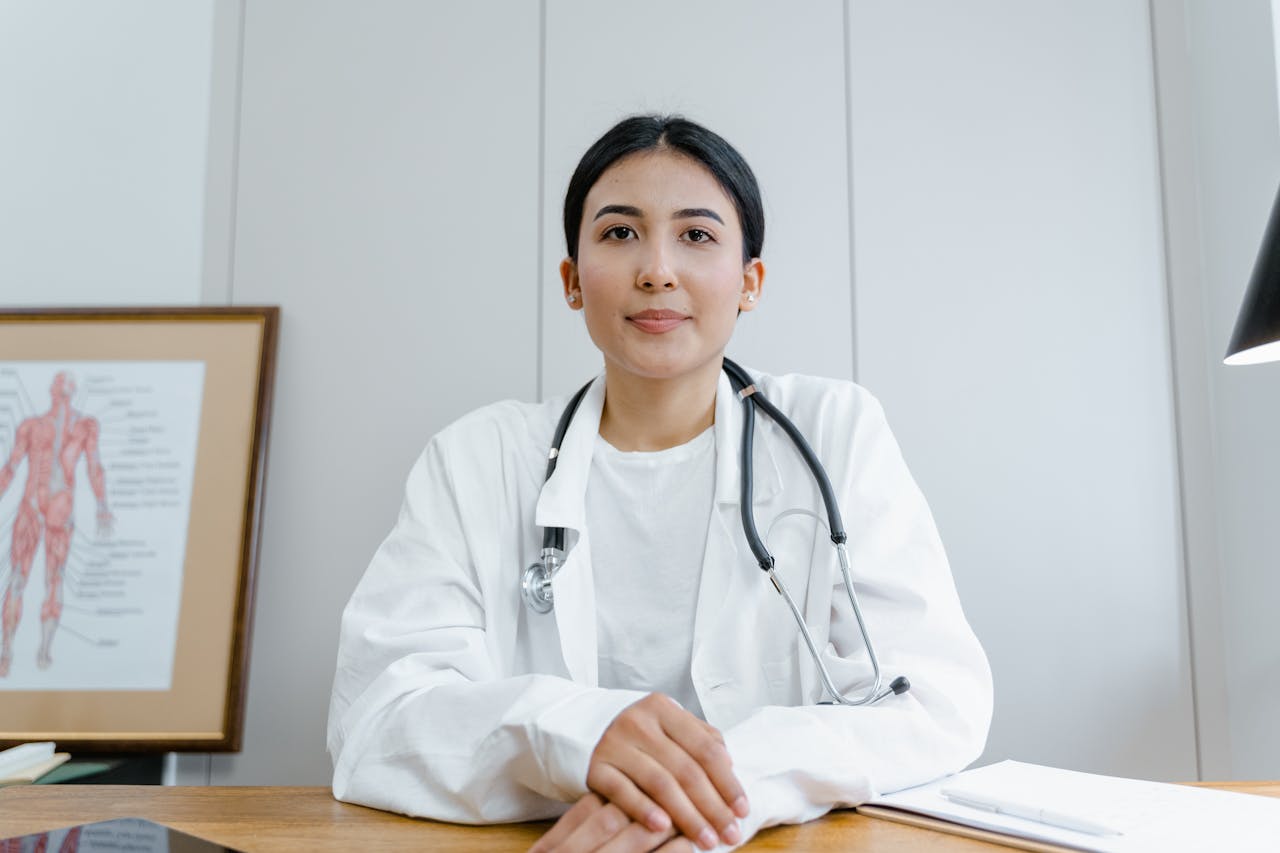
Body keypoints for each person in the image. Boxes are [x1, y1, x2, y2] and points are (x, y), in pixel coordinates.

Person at [327, 115, 992, 852]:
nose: (657, 269)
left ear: (750, 282)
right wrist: (575, 736)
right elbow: (377, 717)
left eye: (697, 235)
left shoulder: (832, 431)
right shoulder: (478, 459)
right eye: (619, 233)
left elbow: (932, 701)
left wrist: (712, 789)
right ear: (572, 281)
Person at [0, 371, 113, 677]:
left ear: (71, 392)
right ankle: (7, 648)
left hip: (60, 515)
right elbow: (9, 467)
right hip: (31, 510)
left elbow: (94, 466)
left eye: (67, 389)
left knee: (55, 580)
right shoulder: (32, 427)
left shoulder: (85, 427)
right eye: (59, 388)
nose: (62, 394)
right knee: (19, 579)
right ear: (51, 390)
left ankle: (44, 649)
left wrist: (102, 504)